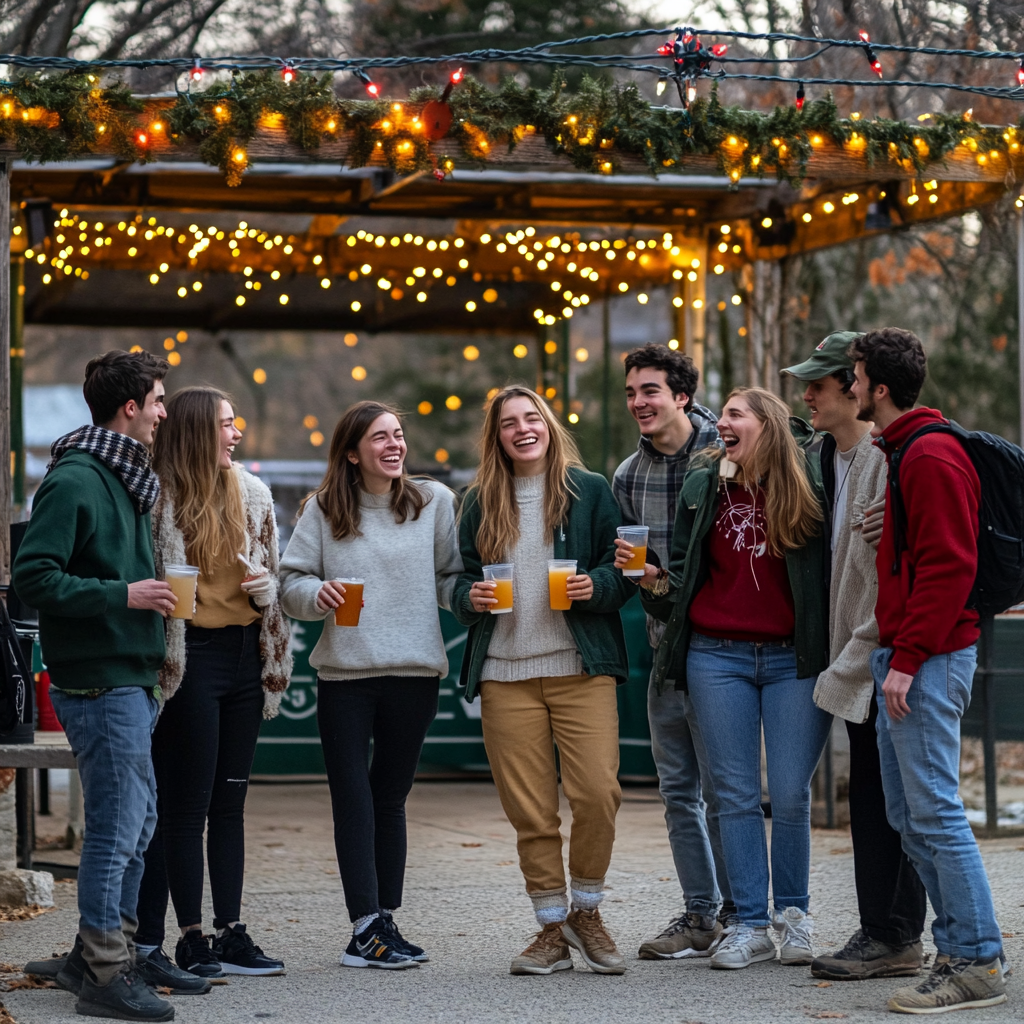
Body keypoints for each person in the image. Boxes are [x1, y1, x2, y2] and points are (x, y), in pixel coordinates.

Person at [12, 350, 177, 1022]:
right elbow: (33, 576)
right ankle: (107, 975)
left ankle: (94, 954)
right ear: (130, 406)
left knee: (137, 825)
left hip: (130, 677)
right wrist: (124, 594)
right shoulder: (77, 479)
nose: (165, 413)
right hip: (99, 682)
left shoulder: (127, 477)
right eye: (159, 401)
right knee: (116, 829)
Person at [643, 387, 832, 971]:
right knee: (733, 796)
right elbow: (685, 579)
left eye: (733, 414)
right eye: (721, 415)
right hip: (715, 656)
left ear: (766, 425)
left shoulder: (809, 486)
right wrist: (652, 583)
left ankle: (794, 918)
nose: (720, 423)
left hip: (792, 660)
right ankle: (748, 922)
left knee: (793, 794)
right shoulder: (705, 487)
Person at [848, 328, 1007, 1014]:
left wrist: (907, 662)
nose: (848, 386)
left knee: (936, 812)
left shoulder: (930, 455)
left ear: (878, 388)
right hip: (910, 653)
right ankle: (960, 949)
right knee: (910, 815)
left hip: (930, 657)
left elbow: (951, 567)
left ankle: (976, 958)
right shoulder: (904, 451)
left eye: (852, 377)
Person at [451, 385, 634, 976]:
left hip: (580, 668)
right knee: (531, 811)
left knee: (598, 795)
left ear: (550, 425)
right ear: (496, 437)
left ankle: (587, 909)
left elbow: (622, 569)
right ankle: (552, 929)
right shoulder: (478, 500)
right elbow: (459, 580)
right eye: (509, 423)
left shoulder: (591, 491)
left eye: (532, 418)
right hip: (506, 673)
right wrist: (469, 597)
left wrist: (597, 587)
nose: (523, 429)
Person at [280, 401, 462, 970]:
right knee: (353, 797)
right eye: (379, 437)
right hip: (345, 676)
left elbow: (451, 578)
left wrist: (471, 600)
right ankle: (365, 925)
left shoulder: (434, 502)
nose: (394, 445)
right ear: (352, 452)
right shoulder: (324, 510)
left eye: (399, 435)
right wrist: (319, 596)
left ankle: (384, 919)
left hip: (413, 673)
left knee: (391, 798)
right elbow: (291, 584)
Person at [132, 387, 293, 981]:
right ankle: (189, 937)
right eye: (228, 424)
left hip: (245, 657)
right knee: (187, 806)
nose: (237, 433)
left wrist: (265, 589)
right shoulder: (156, 496)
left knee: (231, 803)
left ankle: (230, 931)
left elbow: (270, 573)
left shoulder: (253, 493)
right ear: (200, 430)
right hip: (189, 658)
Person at [781, 334, 927, 983]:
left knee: (895, 806)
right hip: (853, 656)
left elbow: (906, 572)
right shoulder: (822, 459)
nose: (807, 395)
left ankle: (896, 934)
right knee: (873, 798)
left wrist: (862, 656)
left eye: (819, 384)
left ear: (857, 388)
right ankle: (886, 931)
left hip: (886, 657)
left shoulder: (888, 459)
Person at [610, 344, 732, 959]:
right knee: (677, 789)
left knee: (724, 787)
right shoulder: (628, 476)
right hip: (665, 650)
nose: (638, 403)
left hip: (723, 649)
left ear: (681, 396)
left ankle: (744, 914)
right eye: (632, 392)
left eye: (650, 391)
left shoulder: (727, 452)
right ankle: (699, 915)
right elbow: (643, 570)